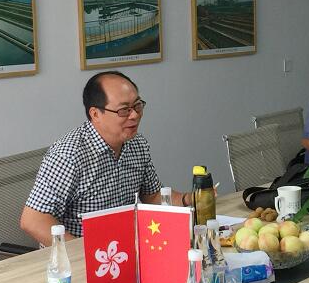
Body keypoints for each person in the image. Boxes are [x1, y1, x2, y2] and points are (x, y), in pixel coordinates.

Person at [21, 72, 187, 243]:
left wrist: (189, 200)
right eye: (124, 110)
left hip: (127, 247)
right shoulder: (69, 156)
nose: (135, 115)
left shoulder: (137, 143)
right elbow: (33, 220)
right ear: (95, 114)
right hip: (82, 253)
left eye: (137, 105)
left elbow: (152, 196)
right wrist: (83, 253)